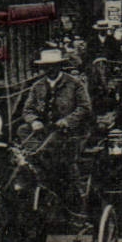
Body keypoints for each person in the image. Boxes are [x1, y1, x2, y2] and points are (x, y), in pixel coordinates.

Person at [19, 46, 94, 205]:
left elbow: (85, 107)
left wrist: (67, 120)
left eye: (52, 66)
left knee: (56, 142)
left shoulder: (74, 84)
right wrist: (34, 121)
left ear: (59, 66)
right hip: (44, 130)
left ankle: (42, 164)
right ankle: (33, 159)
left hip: (70, 131)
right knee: (22, 131)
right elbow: (27, 109)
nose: (49, 69)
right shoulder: (37, 86)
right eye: (46, 66)